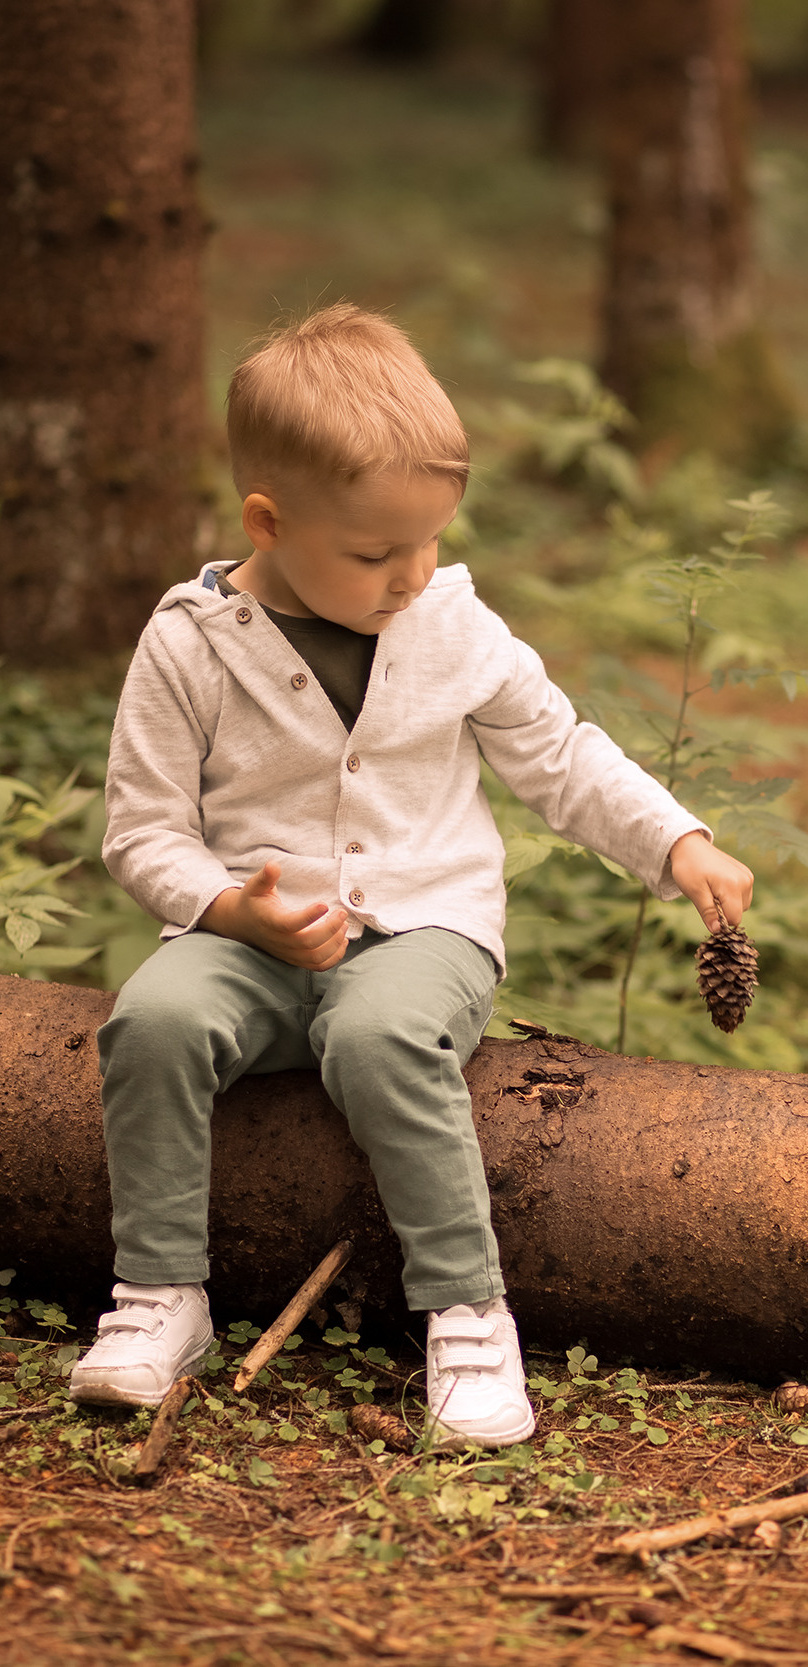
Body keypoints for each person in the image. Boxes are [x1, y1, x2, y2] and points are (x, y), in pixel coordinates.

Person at [70, 304, 754, 1447]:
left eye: (431, 540)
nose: (412, 574)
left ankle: (468, 1311)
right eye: (376, 552)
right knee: (152, 1020)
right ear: (268, 520)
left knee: (379, 1036)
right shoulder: (189, 643)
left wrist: (675, 840)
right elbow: (143, 832)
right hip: (246, 932)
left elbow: (560, 753)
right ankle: (157, 1297)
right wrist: (232, 908)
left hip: (426, 924)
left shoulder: (452, 622)